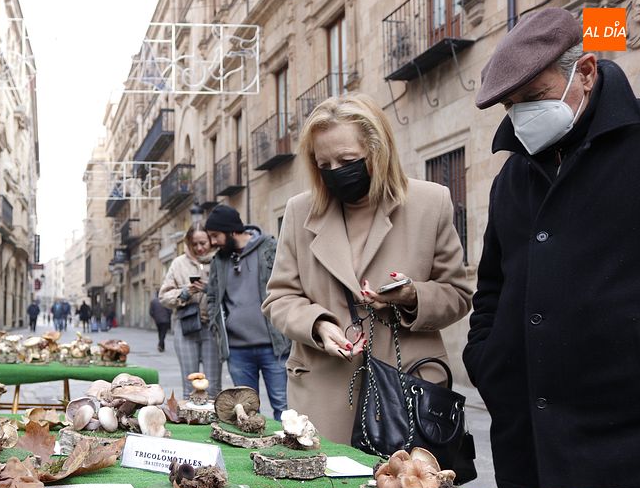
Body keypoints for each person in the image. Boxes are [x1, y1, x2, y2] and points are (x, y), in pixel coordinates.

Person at [464, 8, 640, 488]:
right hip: (529, 450)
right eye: (511, 104)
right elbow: (492, 286)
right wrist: (486, 359)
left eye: (535, 96)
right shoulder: (511, 177)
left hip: (629, 451)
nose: (521, 114)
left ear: (584, 72)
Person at [262, 93, 472, 444]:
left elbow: (458, 294)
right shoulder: (299, 211)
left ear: (378, 151)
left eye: (347, 160)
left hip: (407, 389)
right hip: (323, 391)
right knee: (326, 479)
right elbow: (279, 298)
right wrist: (318, 325)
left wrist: (412, 297)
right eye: (323, 164)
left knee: (404, 479)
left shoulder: (430, 202)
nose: (335, 172)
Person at [205, 204, 291, 420]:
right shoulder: (219, 261)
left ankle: (288, 442)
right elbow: (212, 297)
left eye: (215, 236)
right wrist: (215, 326)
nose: (212, 242)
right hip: (237, 351)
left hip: (275, 347)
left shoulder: (270, 248)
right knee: (246, 411)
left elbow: (289, 286)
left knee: (283, 407)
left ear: (231, 231)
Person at [159, 224, 222, 397]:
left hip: (212, 327)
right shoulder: (178, 263)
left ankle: (213, 414)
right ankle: (189, 412)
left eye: (203, 243)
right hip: (186, 326)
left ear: (211, 241)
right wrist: (184, 293)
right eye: (195, 244)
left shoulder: (220, 260)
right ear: (188, 243)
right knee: (189, 385)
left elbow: (232, 292)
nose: (199, 248)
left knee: (213, 386)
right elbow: (163, 296)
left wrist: (210, 289)